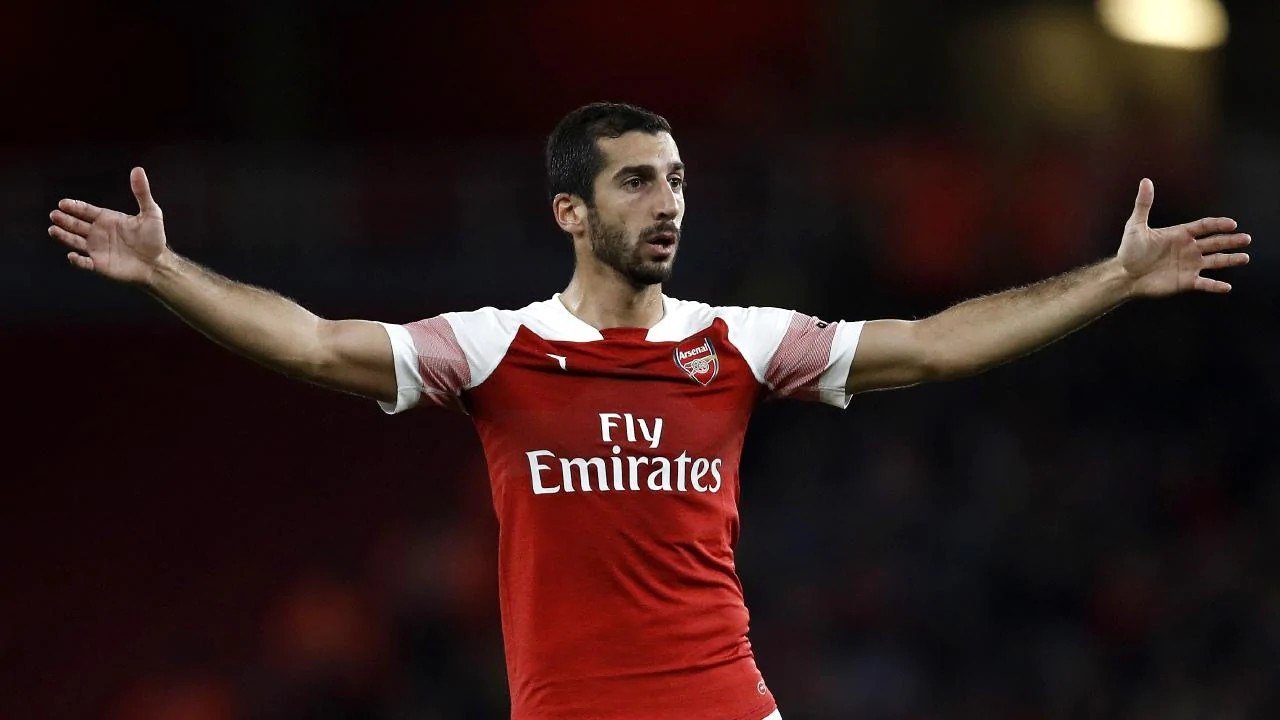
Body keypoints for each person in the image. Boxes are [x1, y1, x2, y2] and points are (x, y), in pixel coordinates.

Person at [47, 102, 1250, 720]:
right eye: (635, 182)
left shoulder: (735, 341)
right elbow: (313, 343)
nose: (666, 202)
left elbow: (931, 348)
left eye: (674, 180)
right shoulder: (495, 348)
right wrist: (164, 271)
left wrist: (1110, 280)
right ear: (570, 212)